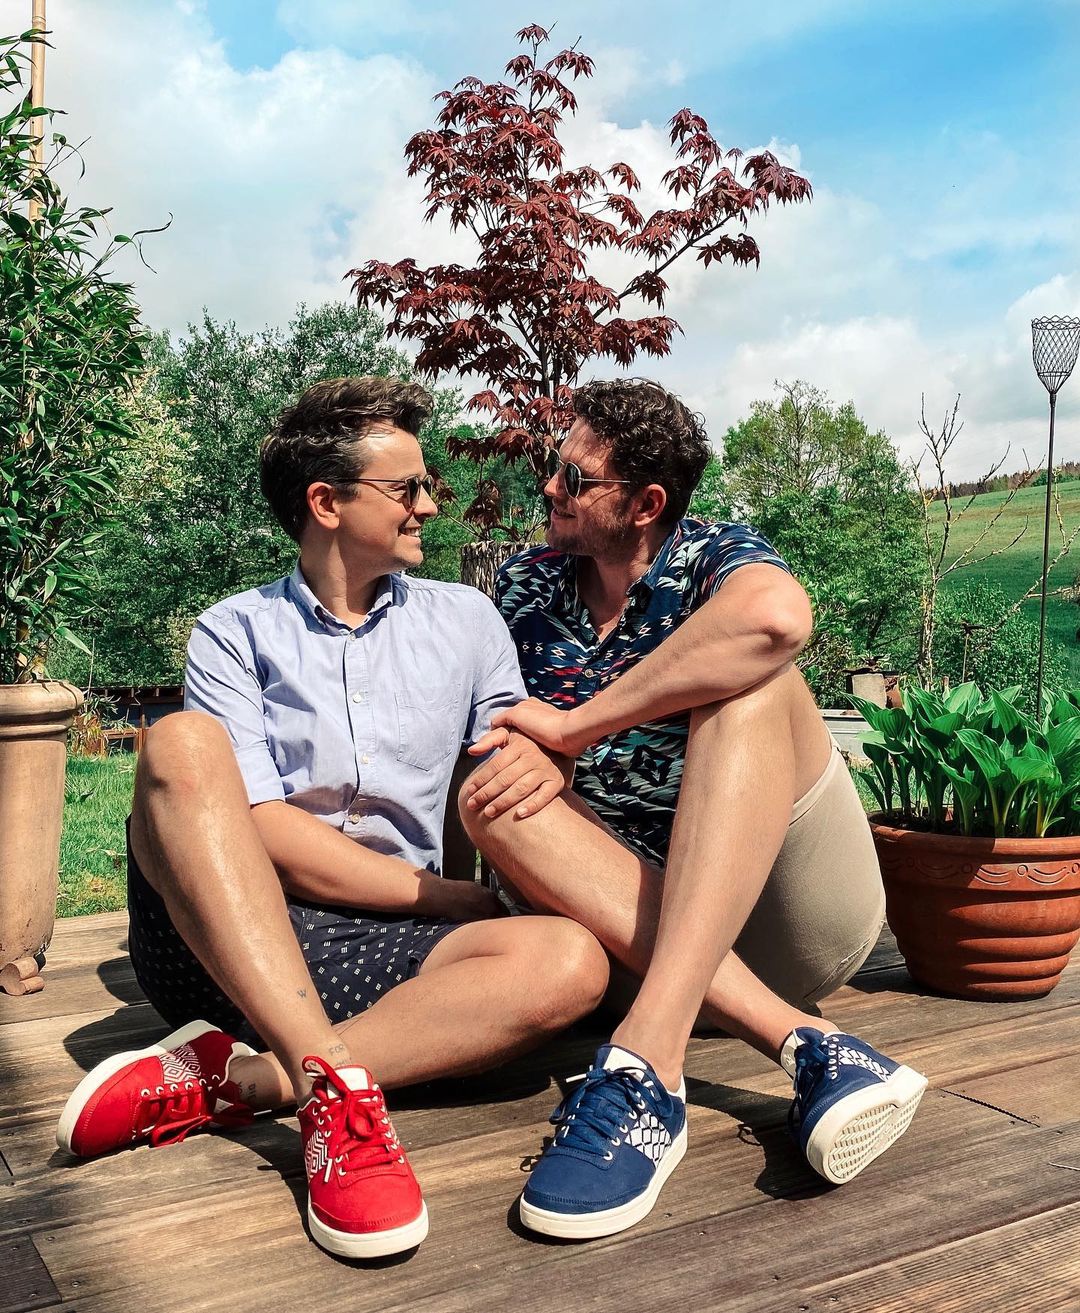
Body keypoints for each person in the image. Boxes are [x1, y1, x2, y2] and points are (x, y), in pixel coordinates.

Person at [55, 377, 609, 1260]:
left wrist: (551, 751)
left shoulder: (468, 621)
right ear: (326, 502)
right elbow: (267, 832)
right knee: (183, 741)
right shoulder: (234, 631)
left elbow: (511, 763)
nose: (431, 504)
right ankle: (336, 1101)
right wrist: (447, 897)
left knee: (571, 960)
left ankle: (246, 1079)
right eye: (408, 487)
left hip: (380, 947)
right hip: (231, 933)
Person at [460, 378, 927, 1241]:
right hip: (627, 929)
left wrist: (573, 728)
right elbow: (492, 739)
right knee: (492, 793)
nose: (551, 488)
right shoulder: (525, 586)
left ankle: (645, 1067)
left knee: (753, 682)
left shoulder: (714, 556)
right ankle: (801, 1043)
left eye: (575, 478)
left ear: (647, 504)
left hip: (787, 916)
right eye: (553, 467)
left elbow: (777, 619)